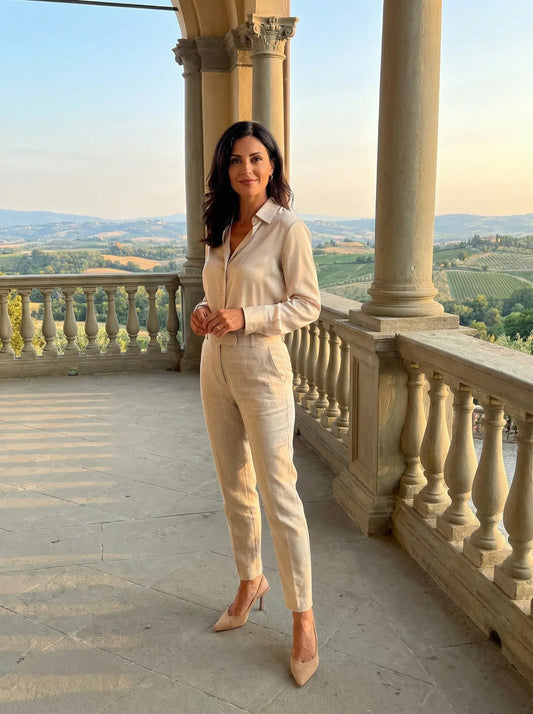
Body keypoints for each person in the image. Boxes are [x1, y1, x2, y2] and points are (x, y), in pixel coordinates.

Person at [190, 120, 321, 686]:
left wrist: (246, 317)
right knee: (234, 485)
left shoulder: (288, 228)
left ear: (272, 167)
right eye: (236, 160)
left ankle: (303, 617)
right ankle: (250, 581)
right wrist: (204, 311)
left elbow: (307, 304)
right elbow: (216, 293)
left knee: (279, 492)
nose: (246, 169)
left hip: (262, 365)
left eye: (256, 159)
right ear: (225, 169)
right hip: (214, 365)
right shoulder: (221, 227)